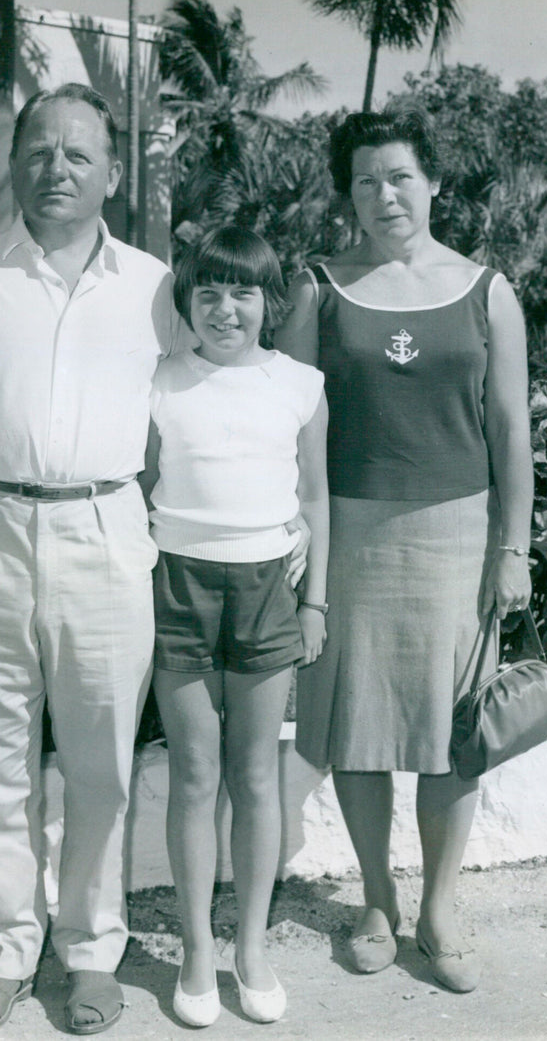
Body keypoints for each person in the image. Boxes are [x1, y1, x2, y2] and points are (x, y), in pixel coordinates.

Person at [0, 83, 178, 1038]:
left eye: (79, 154)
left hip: (106, 532)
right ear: (13, 163)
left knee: (101, 758)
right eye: (40, 151)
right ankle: (6, 948)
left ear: (113, 173)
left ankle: (92, 950)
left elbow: (184, 413)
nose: (58, 169)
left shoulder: (154, 289)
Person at [276, 107, 533, 994]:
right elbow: (288, 423)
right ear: (348, 193)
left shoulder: (486, 288)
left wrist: (515, 545)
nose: (383, 195)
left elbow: (508, 429)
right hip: (347, 533)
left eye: (399, 177)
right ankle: (379, 902)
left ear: (432, 185)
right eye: (364, 181)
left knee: (453, 733)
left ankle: (441, 908)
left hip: (460, 535)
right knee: (361, 725)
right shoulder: (320, 287)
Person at [140, 226, 329, 1027]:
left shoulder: (301, 384)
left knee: (255, 775)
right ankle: (192, 951)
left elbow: (315, 497)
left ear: (268, 301)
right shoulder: (157, 381)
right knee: (193, 773)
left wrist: (314, 598)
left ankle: (249, 947)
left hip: (267, 588)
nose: (225, 307)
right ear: (187, 300)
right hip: (177, 581)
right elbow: (140, 483)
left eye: (242, 290)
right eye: (209, 291)